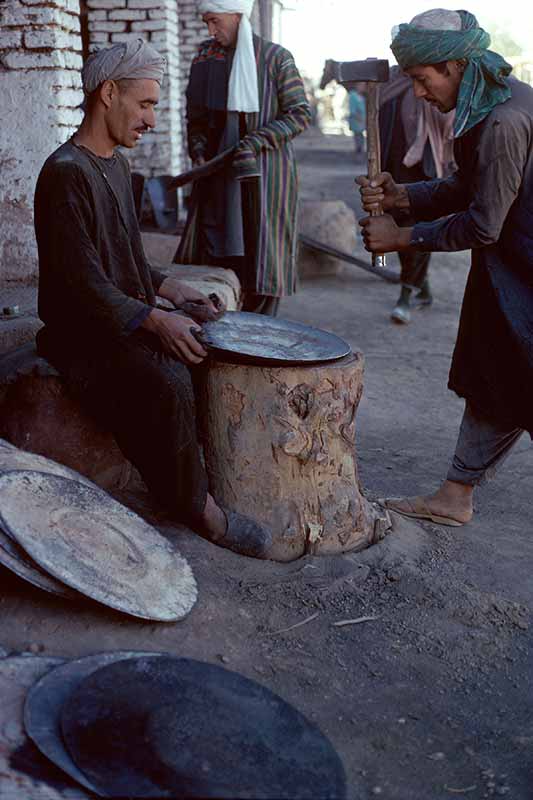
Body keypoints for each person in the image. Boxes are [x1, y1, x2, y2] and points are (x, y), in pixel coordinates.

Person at [34, 38, 272, 558]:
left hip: (119, 317)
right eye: (144, 104)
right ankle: (200, 512)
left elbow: (124, 256)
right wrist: (156, 321)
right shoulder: (65, 173)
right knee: (165, 381)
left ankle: (200, 480)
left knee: (206, 347)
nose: (150, 120)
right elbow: (81, 283)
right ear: (108, 94)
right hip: (80, 336)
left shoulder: (115, 166)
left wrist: (173, 291)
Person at [357, 8, 533, 527]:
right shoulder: (489, 103)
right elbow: (466, 185)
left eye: (421, 79)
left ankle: (456, 492)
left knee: (511, 372)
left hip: (524, 269)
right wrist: (403, 196)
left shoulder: (503, 121)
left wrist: (400, 237)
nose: (417, 93)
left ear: (454, 65)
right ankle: (456, 494)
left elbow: (483, 224)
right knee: (497, 377)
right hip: (511, 270)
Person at [175, 0, 311, 317]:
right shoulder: (205, 57)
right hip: (218, 179)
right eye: (206, 22)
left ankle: (261, 330)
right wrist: (198, 151)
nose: (211, 30)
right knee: (217, 250)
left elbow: (299, 114)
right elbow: (195, 116)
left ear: (237, 15)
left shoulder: (276, 58)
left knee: (263, 254)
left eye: (215, 21)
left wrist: (255, 142)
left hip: (266, 176)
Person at [379, 66, 455, 323]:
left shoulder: (430, 87)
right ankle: (423, 289)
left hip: (424, 173)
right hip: (392, 173)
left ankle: (405, 295)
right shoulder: (389, 85)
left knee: (419, 232)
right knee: (398, 232)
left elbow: (449, 126)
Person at [347, 86, 366, 159]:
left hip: (362, 120)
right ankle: (358, 152)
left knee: (360, 136)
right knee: (358, 136)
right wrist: (358, 117)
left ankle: (360, 152)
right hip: (357, 120)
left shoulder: (362, 96)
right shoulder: (353, 95)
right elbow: (352, 110)